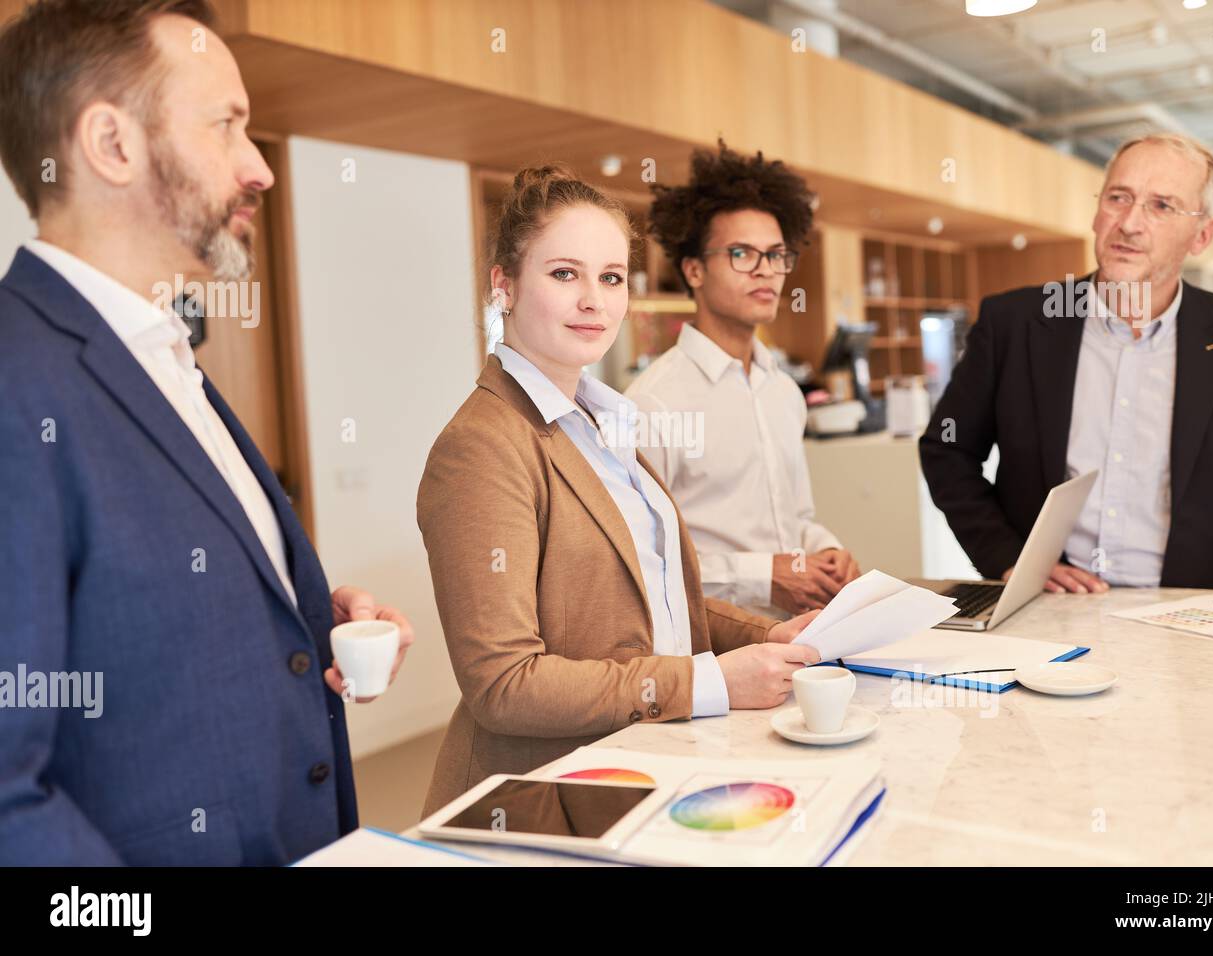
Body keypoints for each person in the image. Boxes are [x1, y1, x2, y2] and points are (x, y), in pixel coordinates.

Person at [0, 0, 413, 865]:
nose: (259, 169)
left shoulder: (169, 352)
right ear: (112, 145)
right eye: (228, 127)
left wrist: (299, 620)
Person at [416, 165, 822, 815]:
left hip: (642, 763)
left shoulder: (605, 424)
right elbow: (504, 685)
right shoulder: (483, 446)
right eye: (563, 273)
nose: (594, 301)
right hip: (540, 801)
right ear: (504, 287)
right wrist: (707, 681)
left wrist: (762, 638)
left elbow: (656, 595)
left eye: (610, 278)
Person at [919, 133, 1213, 600]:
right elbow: (947, 449)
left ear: (1201, 235)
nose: (1130, 223)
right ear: (1098, 211)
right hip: (1048, 606)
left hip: (1193, 612)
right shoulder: (1014, 324)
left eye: (1162, 206)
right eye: (1119, 197)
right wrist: (1009, 556)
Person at [625, 140, 859, 619]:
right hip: (715, 655)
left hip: (803, 636)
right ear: (693, 269)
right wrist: (761, 578)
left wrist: (828, 550)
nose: (766, 271)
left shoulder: (784, 391)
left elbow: (796, 519)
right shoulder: (653, 403)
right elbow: (640, 559)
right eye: (741, 254)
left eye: (776, 255)